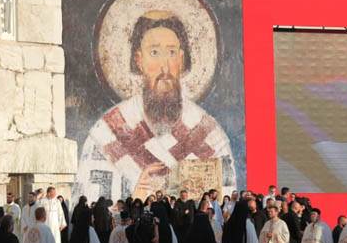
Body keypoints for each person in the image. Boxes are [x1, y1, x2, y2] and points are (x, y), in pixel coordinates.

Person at [76, 11, 236, 199]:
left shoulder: (209, 135)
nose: (165, 67)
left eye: (171, 52)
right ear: (139, 60)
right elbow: (88, 204)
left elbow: (225, 200)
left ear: (181, 59)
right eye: (154, 53)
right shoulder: (107, 133)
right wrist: (136, 197)